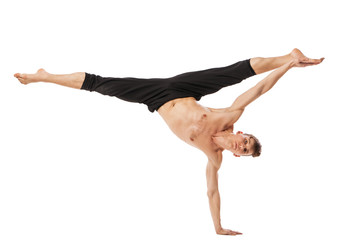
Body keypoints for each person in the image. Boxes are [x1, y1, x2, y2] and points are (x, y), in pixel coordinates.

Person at [14, 48, 324, 235]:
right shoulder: (228, 114)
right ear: (241, 133)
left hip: (156, 99)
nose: (238, 146)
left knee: (100, 85)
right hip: (183, 88)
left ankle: (44, 75)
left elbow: (212, 191)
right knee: (234, 73)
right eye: (244, 142)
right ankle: (290, 56)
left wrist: (217, 226)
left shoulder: (213, 156)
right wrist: (287, 68)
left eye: (241, 151)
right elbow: (259, 90)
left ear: (238, 156)